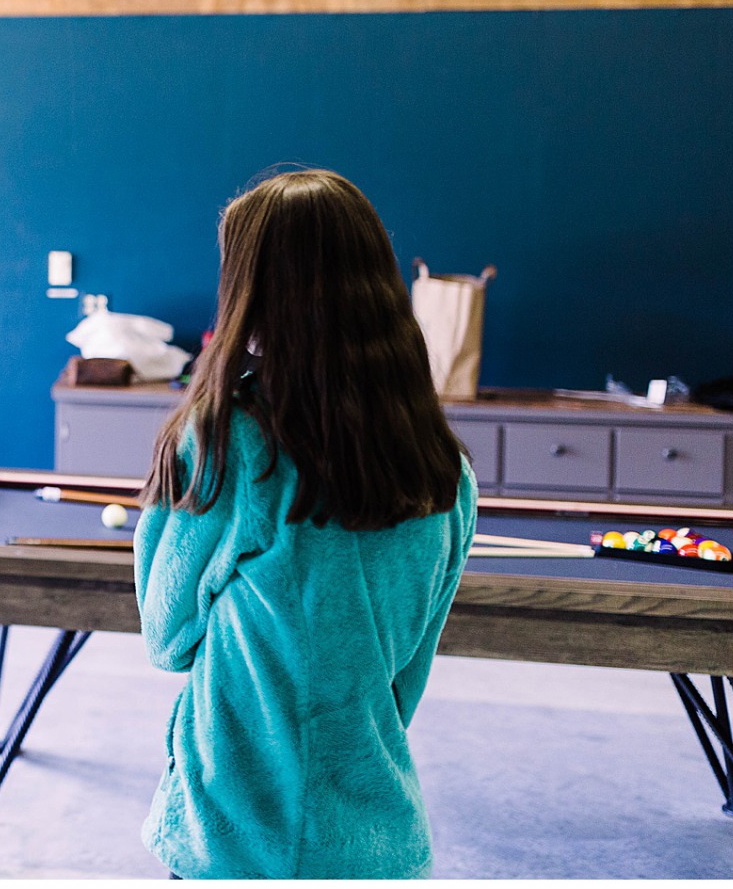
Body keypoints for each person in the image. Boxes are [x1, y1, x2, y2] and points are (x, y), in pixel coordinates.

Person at [133, 168, 477, 879]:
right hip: (377, 839)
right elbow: (405, 679)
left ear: (258, 291)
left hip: (237, 835)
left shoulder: (233, 441)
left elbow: (166, 632)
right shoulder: (447, 468)